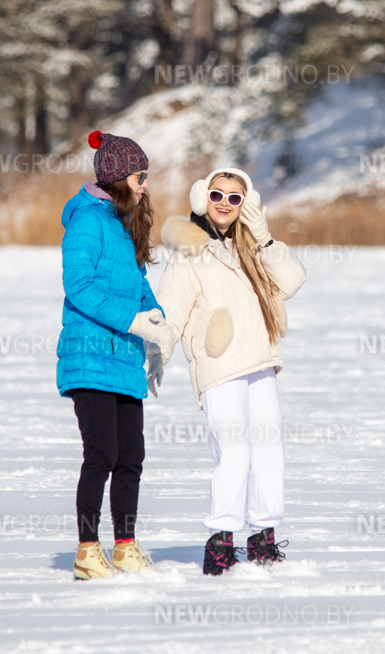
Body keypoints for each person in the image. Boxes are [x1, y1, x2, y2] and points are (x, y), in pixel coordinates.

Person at [155, 168, 307, 575]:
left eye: (235, 198)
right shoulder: (188, 252)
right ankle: (220, 541)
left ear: (246, 205)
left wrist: (264, 235)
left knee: (269, 450)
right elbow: (168, 311)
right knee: (235, 451)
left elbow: (292, 281)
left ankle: (263, 538)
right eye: (217, 194)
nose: (225, 203)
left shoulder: (252, 248)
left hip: (261, 362)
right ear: (201, 198)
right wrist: (156, 351)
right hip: (219, 365)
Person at [56, 130, 176, 581]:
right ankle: (88, 551)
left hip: (124, 357)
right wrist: (132, 322)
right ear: (118, 175)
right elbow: (79, 288)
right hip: (89, 355)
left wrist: (158, 331)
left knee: (131, 456)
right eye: (140, 175)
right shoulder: (88, 220)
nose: (145, 184)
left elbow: (140, 288)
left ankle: (125, 546)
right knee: (101, 453)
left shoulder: (123, 221)